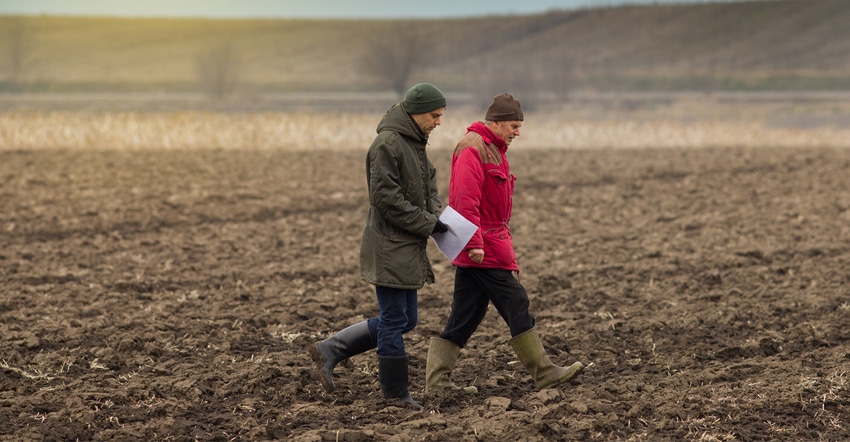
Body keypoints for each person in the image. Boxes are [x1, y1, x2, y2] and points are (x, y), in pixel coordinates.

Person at [425, 93, 585, 393]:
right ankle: (544, 372)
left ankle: (437, 383)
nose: (517, 132)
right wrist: (473, 243)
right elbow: (464, 200)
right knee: (516, 302)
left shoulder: (493, 149)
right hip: (481, 247)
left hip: (488, 244)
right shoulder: (473, 148)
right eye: (513, 125)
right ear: (496, 123)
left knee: (466, 315)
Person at [309, 83, 449, 410]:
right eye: (435, 115)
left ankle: (331, 348)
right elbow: (385, 200)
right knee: (394, 320)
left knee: (405, 319)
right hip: (388, 246)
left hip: (406, 245)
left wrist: (439, 217)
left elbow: (429, 191)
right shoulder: (388, 143)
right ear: (416, 112)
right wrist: (429, 223)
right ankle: (396, 395)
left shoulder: (415, 144)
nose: (439, 122)